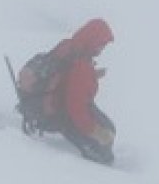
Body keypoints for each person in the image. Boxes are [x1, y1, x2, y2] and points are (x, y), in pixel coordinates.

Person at [15, 19, 118, 165]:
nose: (102, 49)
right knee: (107, 135)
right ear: (92, 40)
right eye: (101, 44)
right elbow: (76, 108)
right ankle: (94, 166)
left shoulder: (69, 46)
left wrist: (91, 75)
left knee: (107, 128)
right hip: (61, 114)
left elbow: (65, 76)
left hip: (50, 102)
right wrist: (95, 131)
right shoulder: (82, 66)